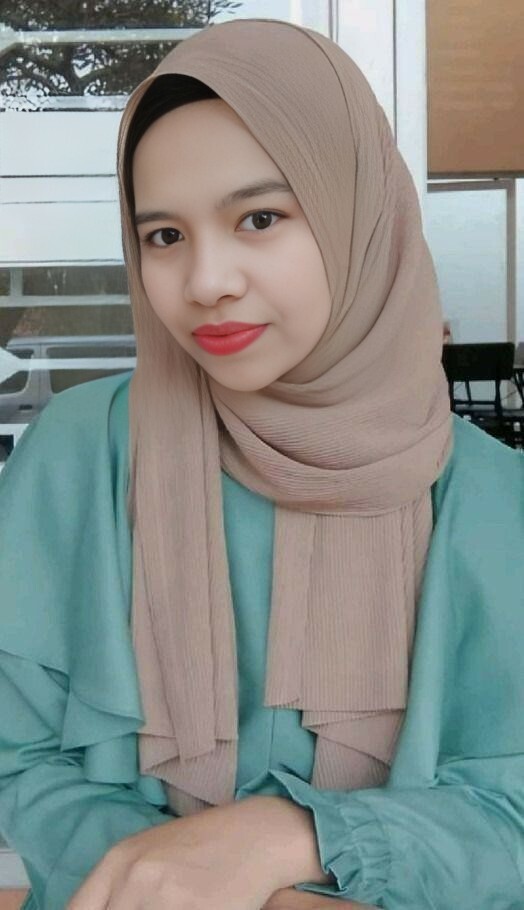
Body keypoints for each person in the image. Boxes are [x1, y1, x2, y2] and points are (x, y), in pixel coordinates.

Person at [0, 16, 523, 910]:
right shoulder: (81, 456)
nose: (206, 281)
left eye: (260, 218)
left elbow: (509, 810)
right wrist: (197, 879)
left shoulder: (491, 501)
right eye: (164, 236)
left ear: (358, 218)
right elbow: (21, 754)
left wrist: (294, 837)